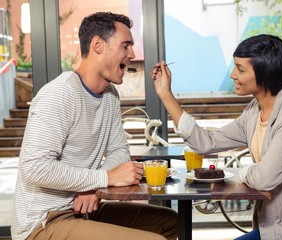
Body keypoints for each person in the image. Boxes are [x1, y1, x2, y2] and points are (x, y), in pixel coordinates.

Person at [151, 34, 282, 240]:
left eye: (240, 69)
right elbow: (206, 143)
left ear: (265, 73)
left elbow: (265, 178)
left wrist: (243, 172)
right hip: (280, 226)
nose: (232, 74)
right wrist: (166, 95)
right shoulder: (253, 112)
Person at [11, 12, 178, 240]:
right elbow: (35, 168)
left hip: (84, 209)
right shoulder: (59, 94)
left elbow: (120, 151)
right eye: (126, 46)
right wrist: (105, 178)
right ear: (98, 45)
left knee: (172, 222)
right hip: (43, 221)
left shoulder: (110, 95)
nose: (132, 54)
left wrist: (92, 187)